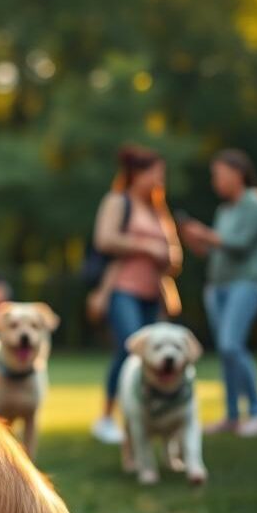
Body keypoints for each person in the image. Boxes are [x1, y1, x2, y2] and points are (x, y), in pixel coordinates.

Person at [89, 144, 182, 444]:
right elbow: (104, 239)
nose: (159, 180)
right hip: (122, 288)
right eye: (155, 173)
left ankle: (145, 415)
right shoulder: (118, 201)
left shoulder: (158, 209)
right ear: (137, 174)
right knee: (130, 348)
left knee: (152, 355)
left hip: (153, 293)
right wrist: (146, 247)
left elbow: (174, 255)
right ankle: (106, 417)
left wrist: (167, 256)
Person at [180, 149, 257, 438]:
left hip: (246, 284)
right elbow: (214, 249)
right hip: (217, 287)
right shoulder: (224, 210)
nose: (215, 181)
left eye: (218, 174)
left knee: (231, 345)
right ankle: (232, 415)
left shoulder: (254, 203)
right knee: (226, 354)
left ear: (237, 173)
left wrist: (205, 233)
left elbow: (239, 244)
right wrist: (195, 240)